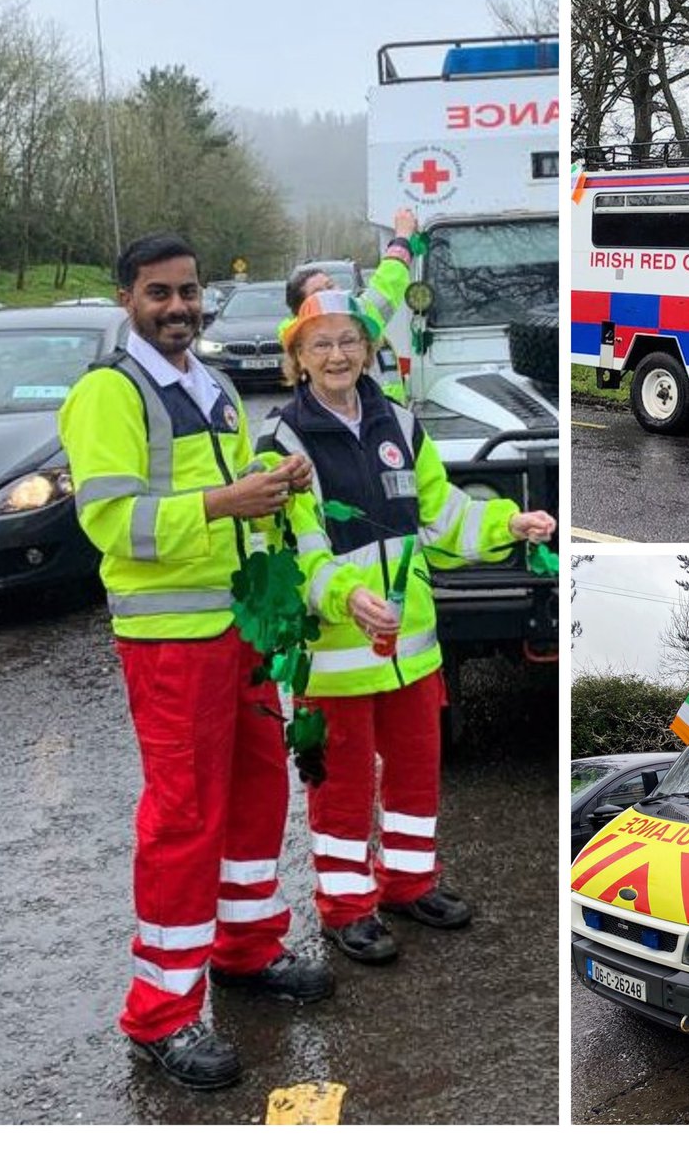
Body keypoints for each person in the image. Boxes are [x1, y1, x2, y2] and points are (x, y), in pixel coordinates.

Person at [58, 232, 333, 1091]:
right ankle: (161, 1012)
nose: (178, 307)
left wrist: (272, 481)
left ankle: (245, 947)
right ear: (127, 299)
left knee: (257, 792)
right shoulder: (109, 393)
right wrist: (225, 501)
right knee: (183, 821)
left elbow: (230, 487)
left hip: (240, 629)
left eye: (188, 291)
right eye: (158, 293)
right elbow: (112, 523)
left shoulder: (210, 385)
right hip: (171, 644)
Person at [258, 288, 555, 965]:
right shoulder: (282, 442)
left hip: (412, 648)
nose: (337, 355)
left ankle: (409, 883)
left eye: (348, 340)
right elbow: (292, 552)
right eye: (320, 344)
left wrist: (508, 523)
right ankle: (346, 907)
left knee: (417, 773)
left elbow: (442, 514)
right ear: (298, 358)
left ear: (368, 349)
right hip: (336, 655)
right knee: (341, 784)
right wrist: (346, 597)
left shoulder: (399, 421)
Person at [284, 209, 417, 404]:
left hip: (389, 416)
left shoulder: (362, 313)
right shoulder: (303, 342)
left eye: (330, 285)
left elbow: (389, 281)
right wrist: (403, 235)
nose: (337, 356)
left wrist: (403, 238)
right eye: (319, 292)